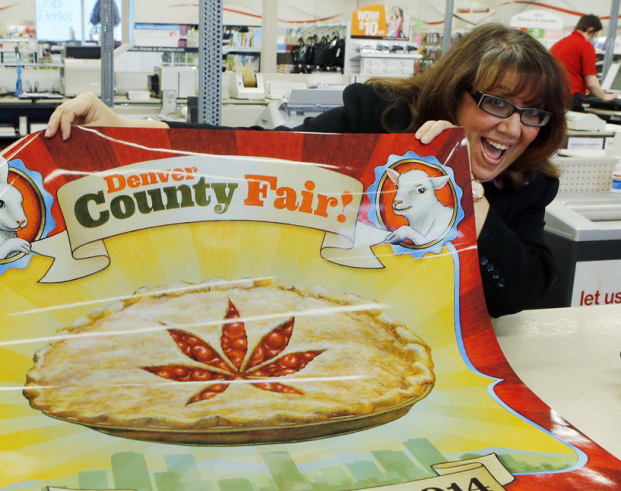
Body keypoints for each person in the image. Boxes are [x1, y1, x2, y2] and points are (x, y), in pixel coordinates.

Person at [45, 23, 569, 318]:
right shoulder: (376, 119)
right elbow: (258, 154)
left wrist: (468, 200)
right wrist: (123, 130)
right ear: (456, 92)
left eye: (532, 113)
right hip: (321, 324)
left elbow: (518, 295)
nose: (513, 127)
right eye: (497, 103)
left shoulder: (530, 182)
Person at [550, 14, 617, 111]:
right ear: (590, 30)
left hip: (553, 95)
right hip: (571, 97)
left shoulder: (557, 45)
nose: (593, 40)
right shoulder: (585, 46)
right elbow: (591, 82)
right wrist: (605, 97)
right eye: (595, 36)